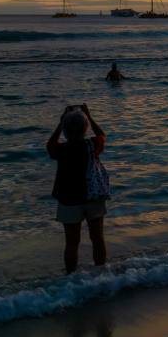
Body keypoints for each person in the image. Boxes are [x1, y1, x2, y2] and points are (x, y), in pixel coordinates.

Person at [47, 104, 108, 274]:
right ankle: (101, 274)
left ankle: (71, 279)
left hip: (69, 199)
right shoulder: (92, 145)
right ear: (85, 128)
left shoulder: (61, 149)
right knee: (97, 238)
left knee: (72, 243)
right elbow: (102, 135)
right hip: (93, 196)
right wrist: (89, 115)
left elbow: (50, 144)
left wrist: (61, 123)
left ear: (65, 130)